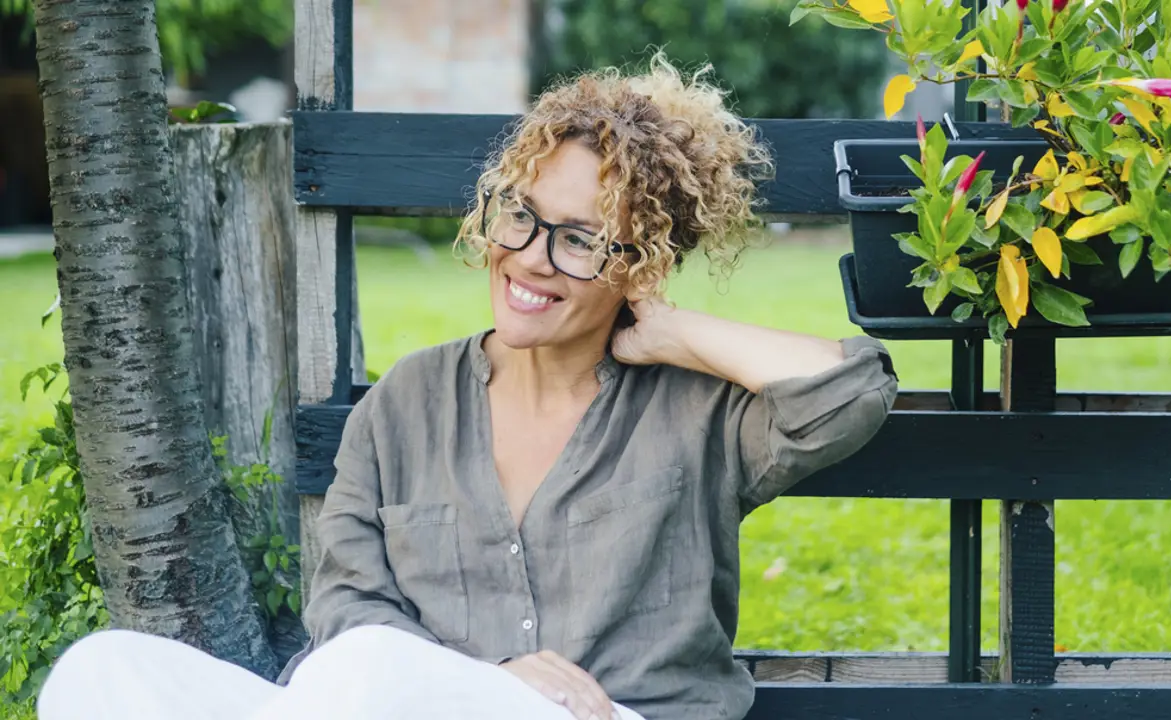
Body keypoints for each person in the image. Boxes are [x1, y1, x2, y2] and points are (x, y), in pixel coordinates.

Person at [36, 53, 898, 720]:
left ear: (644, 264)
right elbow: (348, 605)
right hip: (395, 704)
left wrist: (671, 330)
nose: (529, 256)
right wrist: (483, 683)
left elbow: (850, 391)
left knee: (363, 673)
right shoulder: (405, 403)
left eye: (580, 240)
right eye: (521, 215)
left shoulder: (701, 411)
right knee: (105, 670)